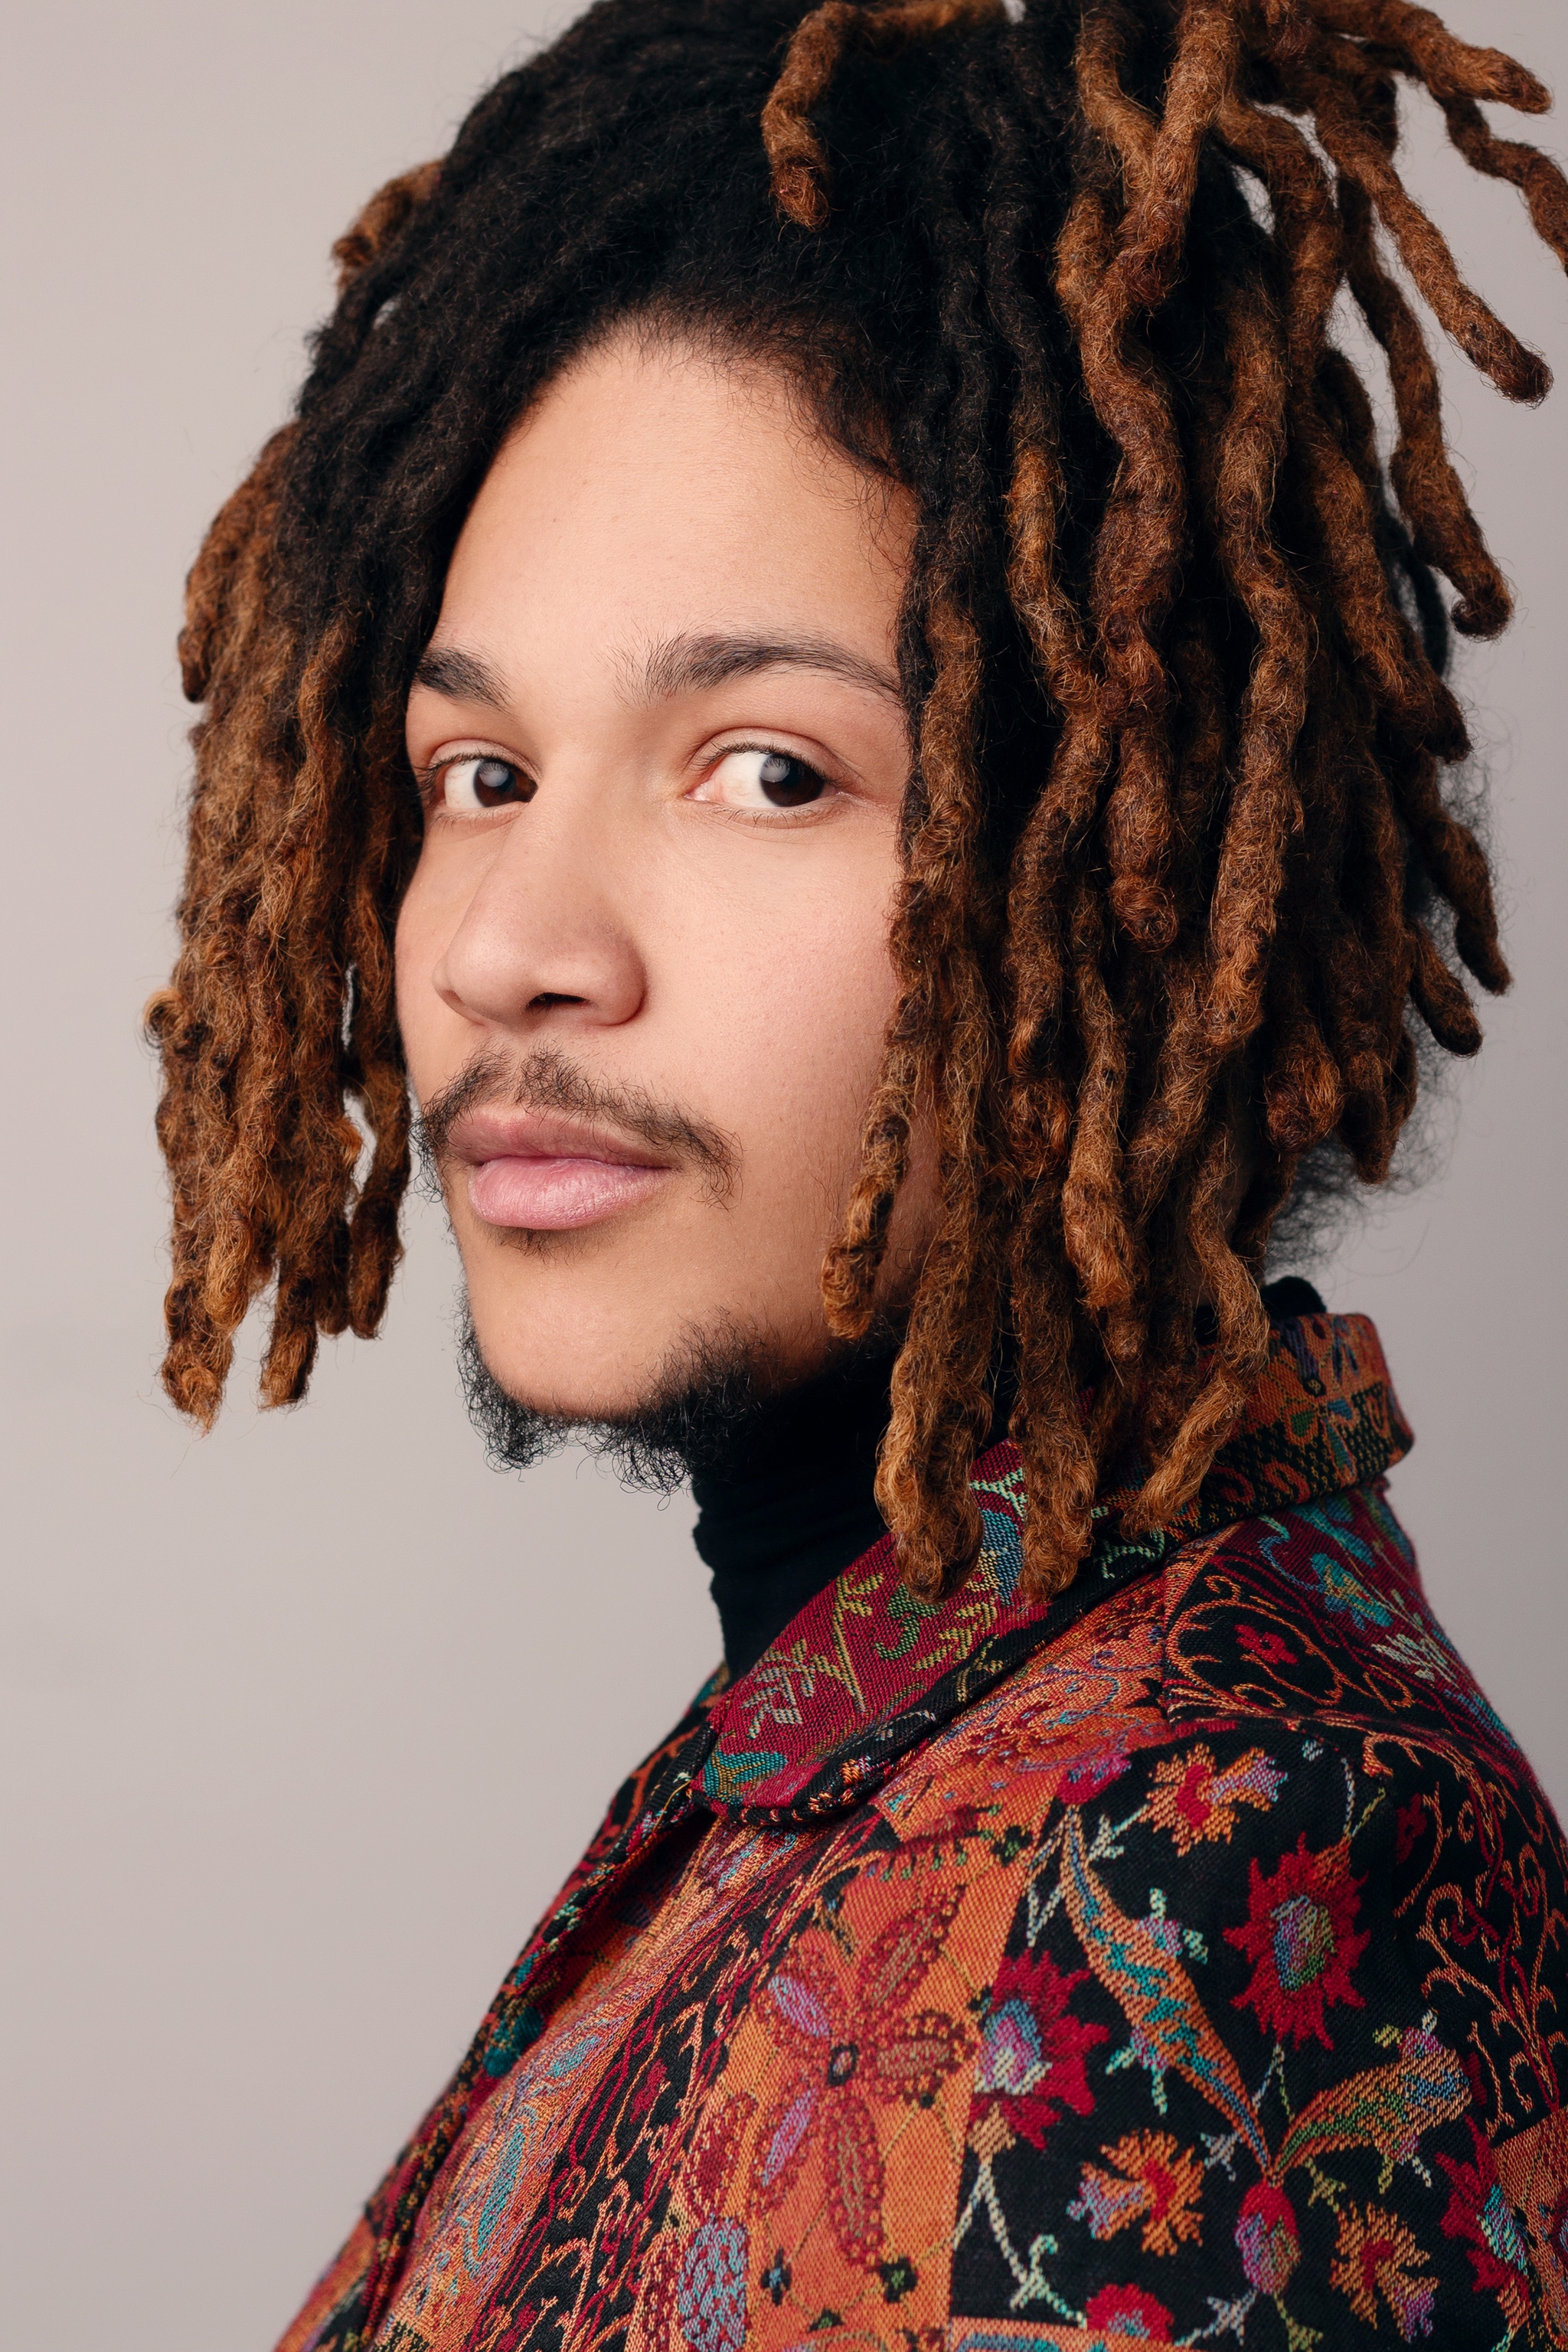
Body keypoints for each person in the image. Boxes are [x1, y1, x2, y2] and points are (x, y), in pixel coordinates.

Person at [149, 0, 1568, 2342]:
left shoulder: (1225, 1872)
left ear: (1144, 846)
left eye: (769, 769)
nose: (514, 947)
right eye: (478, 774)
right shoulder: (853, 1745)